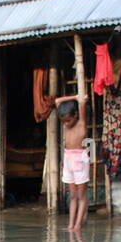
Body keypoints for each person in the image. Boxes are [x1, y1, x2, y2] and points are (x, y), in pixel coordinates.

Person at [54, 94, 89, 230]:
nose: (66, 124)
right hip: (68, 158)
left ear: (75, 116)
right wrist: (75, 96)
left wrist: (80, 100)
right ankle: (70, 225)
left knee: (81, 196)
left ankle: (78, 224)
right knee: (73, 195)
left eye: (68, 120)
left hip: (80, 159)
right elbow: (57, 101)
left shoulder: (81, 124)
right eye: (63, 121)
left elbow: (82, 103)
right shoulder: (66, 124)